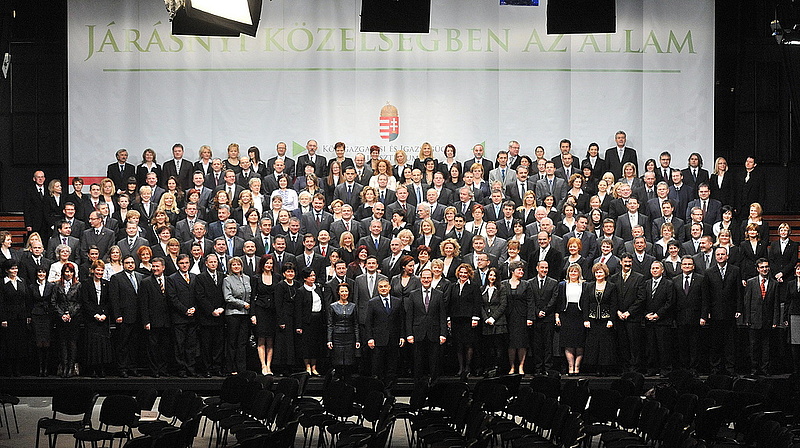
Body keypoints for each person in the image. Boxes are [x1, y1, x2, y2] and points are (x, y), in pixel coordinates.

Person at [702, 246, 742, 374]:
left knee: (730, 343)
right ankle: (715, 368)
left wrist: (739, 309)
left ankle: (730, 368)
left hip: (730, 312)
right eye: (718, 254)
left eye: (723, 254)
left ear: (727, 256)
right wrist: (706, 312)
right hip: (715, 313)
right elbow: (706, 295)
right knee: (715, 343)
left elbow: (739, 292)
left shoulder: (735, 270)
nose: (720, 256)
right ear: (715, 257)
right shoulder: (709, 272)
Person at [405, 269, 447, 380]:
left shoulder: (439, 294)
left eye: (428, 277)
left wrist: (443, 334)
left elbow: (442, 316)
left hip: (434, 333)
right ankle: (418, 385)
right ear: (420, 279)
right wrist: (409, 334)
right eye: (424, 277)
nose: (426, 280)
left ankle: (433, 385)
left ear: (432, 279)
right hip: (418, 333)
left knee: (434, 362)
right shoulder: (413, 294)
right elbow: (409, 316)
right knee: (418, 362)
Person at [741, 258, 780, 375]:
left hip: (768, 320)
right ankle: (754, 369)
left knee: (766, 347)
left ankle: (765, 369)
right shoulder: (751, 282)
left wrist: (775, 321)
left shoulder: (774, 284)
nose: (764, 269)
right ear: (758, 269)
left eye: (766, 267)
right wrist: (747, 319)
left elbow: (776, 304)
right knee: (754, 346)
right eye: (762, 267)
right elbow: (747, 302)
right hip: (754, 320)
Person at [109, 256, 144, 377]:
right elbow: (114, 299)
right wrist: (117, 315)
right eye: (127, 263)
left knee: (135, 344)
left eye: (132, 262)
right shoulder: (116, 278)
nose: (130, 264)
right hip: (124, 317)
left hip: (138, 317)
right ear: (123, 264)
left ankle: (133, 367)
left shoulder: (140, 276)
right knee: (123, 344)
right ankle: (122, 368)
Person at [582, 263, 618, 376]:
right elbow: (585, 303)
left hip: (605, 320)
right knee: (593, 345)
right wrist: (586, 319)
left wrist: (611, 320)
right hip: (592, 320)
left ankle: (605, 368)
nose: (598, 274)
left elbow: (613, 304)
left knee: (605, 345)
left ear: (605, 273)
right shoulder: (589, 286)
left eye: (601, 272)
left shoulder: (611, 286)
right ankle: (596, 368)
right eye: (597, 272)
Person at [194, 253, 225, 377]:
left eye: (215, 262)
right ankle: (206, 368)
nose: (213, 264)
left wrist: (222, 308)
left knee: (218, 344)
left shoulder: (223, 276)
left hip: (220, 316)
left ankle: (217, 368)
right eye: (211, 262)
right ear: (206, 263)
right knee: (206, 345)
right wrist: (211, 310)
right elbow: (200, 296)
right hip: (206, 317)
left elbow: (225, 294)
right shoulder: (200, 278)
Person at [555, 263, 590, 375]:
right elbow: (558, 301)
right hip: (566, 315)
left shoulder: (584, 285)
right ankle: (570, 366)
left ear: (579, 273)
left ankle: (577, 366)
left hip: (580, 315)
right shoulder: (562, 285)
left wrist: (586, 318)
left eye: (575, 271)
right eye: (571, 271)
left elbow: (586, 302)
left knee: (579, 343)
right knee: (568, 342)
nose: (573, 273)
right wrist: (557, 316)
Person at [80, 259, 112, 377]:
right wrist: (95, 315)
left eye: (102, 270)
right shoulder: (86, 283)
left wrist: (104, 314)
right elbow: (85, 301)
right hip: (91, 319)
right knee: (92, 345)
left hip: (103, 318)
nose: (99, 272)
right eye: (98, 270)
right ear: (92, 270)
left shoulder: (106, 284)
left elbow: (108, 302)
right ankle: (92, 369)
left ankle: (101, 368)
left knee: (102, 344)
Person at [498, 260, 532, 375]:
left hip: (522, 317)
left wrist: (530, 318)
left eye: (522, 270)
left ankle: (521, 366)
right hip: (508, 318)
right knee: (510, 343)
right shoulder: (503, 284)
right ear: (512, 271)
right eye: (519, 270)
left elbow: (530, 302)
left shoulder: (526, 284)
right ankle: (512, 366)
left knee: (522, 343)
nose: (521, 272)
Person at [448, 263, 481, 379]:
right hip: (455, 319)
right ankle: (461, 368)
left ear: (469, 274)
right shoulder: (453, 286)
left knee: (468, 344)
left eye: (465, 273)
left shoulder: (474, 286)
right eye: (461, 272)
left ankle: (468, 368)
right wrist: (448, 318)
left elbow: (477, 303)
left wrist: (475, 317)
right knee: (458, 344)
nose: (463, 275)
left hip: (468, 319)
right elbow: (450, 302)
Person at [248, 254, 276, 376]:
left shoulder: (277, 277)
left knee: (270, 340)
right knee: (261, 339)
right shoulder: (256, 278)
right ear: (262, 265)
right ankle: (263, 365)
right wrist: (253, 314)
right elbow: (252, 297)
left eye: (271, 263)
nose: (269, 265)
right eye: (267, 263)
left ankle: (269, 365)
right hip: (260, 310)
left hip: (272, 312)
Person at [295, 268, 325, 376]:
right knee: (307, 345)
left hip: (318, 319)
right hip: (307, 321)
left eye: (314, 275)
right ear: (305, 278)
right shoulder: (301, 291)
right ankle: (307, 366)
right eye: (310, 276)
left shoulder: (318, 288)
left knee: (316, 344)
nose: (313, 278)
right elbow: (298, 309)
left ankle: (314, 367)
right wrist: (298, 325)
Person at [327, 282, 360, 378]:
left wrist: (357, 340)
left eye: (346, 291)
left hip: (350, 336)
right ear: (338, 292)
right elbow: (330, 324)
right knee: (338, 362)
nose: (344, 293)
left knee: (349, 362)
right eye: (342, 291)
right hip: (337, 337)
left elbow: (356, 324)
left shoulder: (353, 306)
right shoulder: (332, 306)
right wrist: (329, 340)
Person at [52, 263, 80, 377]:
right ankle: (64, 366)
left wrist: (70, 314)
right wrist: (62, 314)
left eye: (71, 272)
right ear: (63, 272)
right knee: (62, 343)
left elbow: (79, 302)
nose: (68, 274)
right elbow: (53, 302)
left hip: (74, 318)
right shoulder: (57, 285)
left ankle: (71, 367)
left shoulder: (78, 285)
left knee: (72, 342)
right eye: (67, 271)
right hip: (61, 318)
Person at [274, 262, 299, 372]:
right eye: (288, 272)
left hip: (294, 316)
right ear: (284, 273)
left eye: (292, 271)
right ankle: (283, 367)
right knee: (284, 342)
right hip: (284, 316)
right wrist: (281, 321)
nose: (290, 274)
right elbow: (278, 304)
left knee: (293, 342)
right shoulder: (280, 286)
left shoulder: (297, 284)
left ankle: (293, 365)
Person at [782, 263, 800, 373]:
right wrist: (785, 317)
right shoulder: (790, 284)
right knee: (795, 343)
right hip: (794, 315)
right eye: (798, 269)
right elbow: (787, 301)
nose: (799, 271)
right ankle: (796, 369)